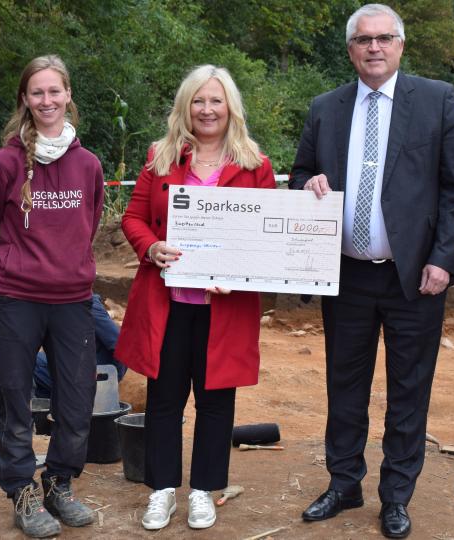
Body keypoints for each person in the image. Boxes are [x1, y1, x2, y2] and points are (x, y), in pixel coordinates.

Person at [290, 4, 454, 537]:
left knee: (408, 390)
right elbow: (301, 170)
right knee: (343, 386)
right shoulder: (326, 107)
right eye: (363, 40)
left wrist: (443, 259)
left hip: (414, 278)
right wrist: (305, 185)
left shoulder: (436, 100)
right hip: (343, 274)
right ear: (350, 49)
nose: (374, 47)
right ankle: (343, 483)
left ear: (400, 45)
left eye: (384, 38)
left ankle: (396, 495)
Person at [116, 64, 276, 531]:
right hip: (167, 305)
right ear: (186, 106)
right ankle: (162, 490)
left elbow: (264, 237)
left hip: (224, 307)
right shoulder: (160, 157)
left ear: (231, 108)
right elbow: (133, 218)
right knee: (164, 399)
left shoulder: (254, 165)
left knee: (214, 401)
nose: (207, 110)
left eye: (216, 101)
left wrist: (240, 274)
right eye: (199, 101)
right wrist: (151, 247)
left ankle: (204, 490)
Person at [0, 54, 103, 538]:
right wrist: (9, 273)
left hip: (72, 302)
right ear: (25, 100)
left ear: (68, 96)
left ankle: (59, 483)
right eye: (37, 92)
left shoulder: (87, 164)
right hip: (17, 301)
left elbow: (87, 223)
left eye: (55, 91)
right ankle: (22, 491)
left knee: (76, 397)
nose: (47, 100)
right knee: (15, 398)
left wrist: (67, 270)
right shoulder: (5, 163)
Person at [33, 293, 126, 400]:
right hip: (76, 370)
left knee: (22, 360)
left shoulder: (87, 305)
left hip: (88, 375)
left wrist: (109, 380)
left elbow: (119, 344)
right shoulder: (69, 302)